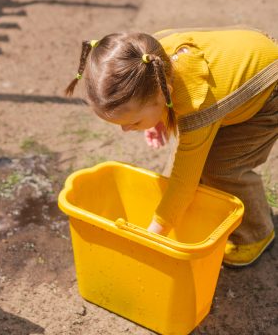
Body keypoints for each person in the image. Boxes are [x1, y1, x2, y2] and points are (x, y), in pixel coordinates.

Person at [65, 27, 278, 267]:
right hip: (247, 58)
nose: (126, 130)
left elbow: (183, 182)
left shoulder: (196, 107)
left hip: (269, 91)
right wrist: (155, 119)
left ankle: (256, 234)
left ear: (163, 94)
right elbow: (160, 102)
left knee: (221, 168)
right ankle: (202, 214)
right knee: (189, 167)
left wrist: (155, 232)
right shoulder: (146, 62)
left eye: (134, 122)